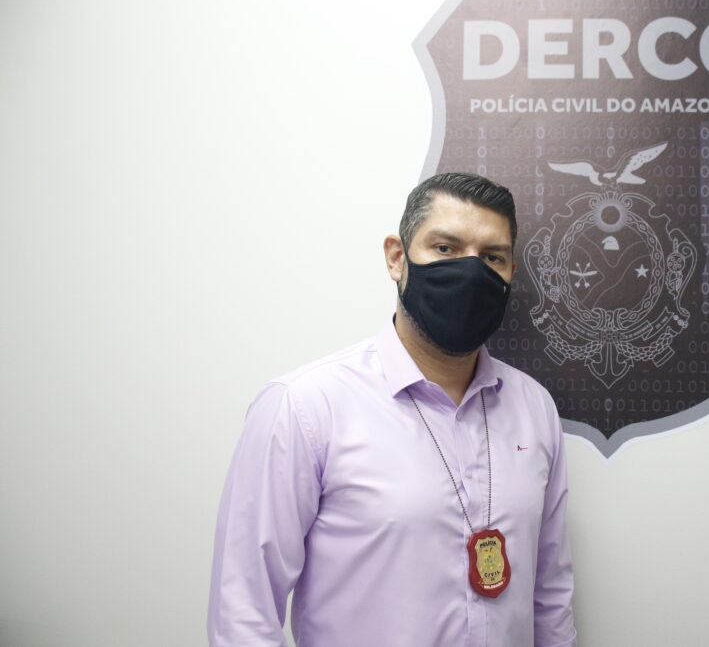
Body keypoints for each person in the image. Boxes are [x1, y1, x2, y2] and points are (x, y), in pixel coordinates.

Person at [207, 172, 577, 647]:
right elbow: (244, 614)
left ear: (510, 272)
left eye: (492, 257)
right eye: (445, 248)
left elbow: (550, 593)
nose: (470, 273)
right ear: (397, 257)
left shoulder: (533, 407)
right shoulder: (304, 407)